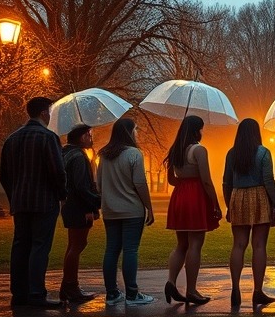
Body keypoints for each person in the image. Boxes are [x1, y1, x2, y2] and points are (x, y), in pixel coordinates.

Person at [0, 96, 67, 308]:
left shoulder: (12, 139)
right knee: (39, 246)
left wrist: (14, 196)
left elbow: (4, 174)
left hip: (20, 202)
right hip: (43, 201)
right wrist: (61, 194)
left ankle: (19, 293)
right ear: (44, 113)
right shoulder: (48, 138)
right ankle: (37, 293)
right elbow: (57, 171)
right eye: (50, 111)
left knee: (20, 246)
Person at [164, 115, 222, 306]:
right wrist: (215, 203)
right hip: (195, 196)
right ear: (197, 130)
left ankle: (171, 281)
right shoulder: (199, 150)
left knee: (181, 244)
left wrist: (184, 181)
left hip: (180, 195)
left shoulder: (175, 150)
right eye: (201, 129)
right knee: (195, 243)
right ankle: (191, 290)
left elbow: (171, 180)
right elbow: (206, 180)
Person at [97, 118, 155, 306]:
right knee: (130, 249)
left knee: (111, 249)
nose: (137, 134)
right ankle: (132, 293)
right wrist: (149, 206)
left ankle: (112, 293)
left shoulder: (104, 155)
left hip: (110, 210)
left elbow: (99, 184)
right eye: (135, 130)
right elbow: (140, 183)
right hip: (131, 209)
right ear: (129, 132)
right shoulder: (134, 154)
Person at [223, 118, 275, 307]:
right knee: (259, 245)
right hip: (260, 196)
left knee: (238, 245)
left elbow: (226, 182)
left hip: (237, 196)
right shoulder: (263, 153)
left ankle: (235, 289)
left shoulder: (232, 153)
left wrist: (229, 205)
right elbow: (268, 181)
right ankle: (257, 291)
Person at [59, 124, 100, 304]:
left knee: (73, 245)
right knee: (77, 245)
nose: (91, 138)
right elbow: (81, 187)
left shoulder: (66, 153)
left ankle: (67, 286)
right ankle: (71, 286)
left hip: (69, 205)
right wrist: (93, 205)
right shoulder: (78, 157)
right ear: (82, 137)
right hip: (79, 207)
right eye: (90, 135)